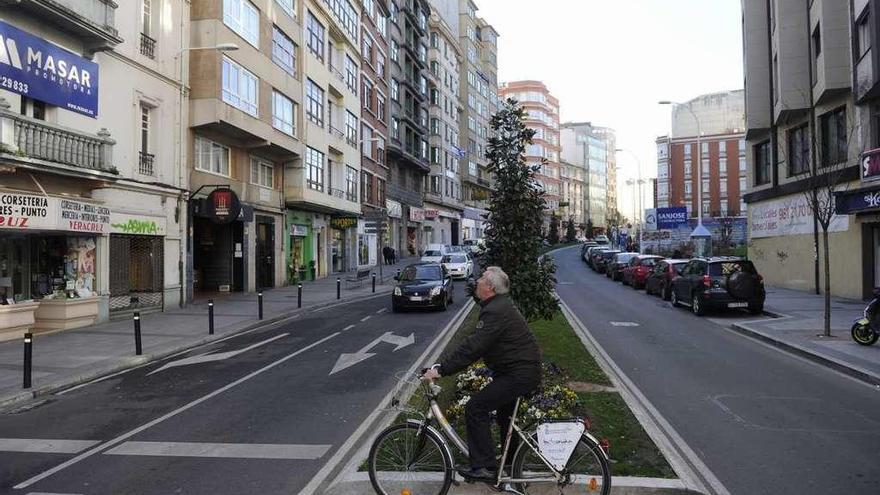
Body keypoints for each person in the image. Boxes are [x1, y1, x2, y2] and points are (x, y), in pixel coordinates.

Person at [421, 266, 541, 481]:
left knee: (475, 408)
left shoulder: (495, 310)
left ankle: (484, 467)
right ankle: (511, 465)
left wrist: (441, 369)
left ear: (490, 288)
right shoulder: (498, 306)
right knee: (506, 418)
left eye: (482, 279)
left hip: (518, 373)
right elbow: (476, 345)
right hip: (518, 371)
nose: (477, 281)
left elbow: (474, 346)